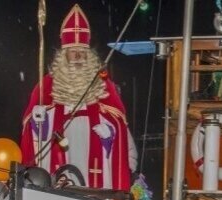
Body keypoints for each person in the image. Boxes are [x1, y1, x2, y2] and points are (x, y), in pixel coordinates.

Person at [19, 4, 137, 190]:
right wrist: (38, 118)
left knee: (94, 185)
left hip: (94, 142)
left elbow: (119, 121)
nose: (78, 57)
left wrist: (109, 131)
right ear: (64, 54)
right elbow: (30, 127)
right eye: (73, 52)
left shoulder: (103, 83)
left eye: (82, 52)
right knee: (59, 180)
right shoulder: (47, 84)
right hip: (59, 140)